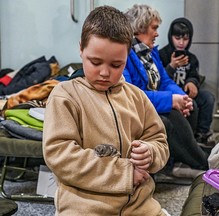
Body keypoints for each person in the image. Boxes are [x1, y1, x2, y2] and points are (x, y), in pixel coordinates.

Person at [43, 6, 170, 216]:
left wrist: (151, 153)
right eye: (95, 62)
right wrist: (124, 173)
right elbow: (60, 155)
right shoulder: (65, 96)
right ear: (81, 50)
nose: (104, 72)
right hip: (83, 207)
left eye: (116, 64)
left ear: (127, 58)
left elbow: (159, 140)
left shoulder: (137, 97)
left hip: (141, 208)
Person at [123, 4, 209, 177]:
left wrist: (181, 97)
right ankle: (202, 162)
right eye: (154, 28)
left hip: (152, 102)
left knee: (192, 107)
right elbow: (133, 95)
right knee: (170, 118)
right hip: (139, 109)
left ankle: (181, 157)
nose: (157, 33)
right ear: (140, 27)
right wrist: (171, 100)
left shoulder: (150, 53)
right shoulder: (125, 54)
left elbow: (165, 80)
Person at [159, 17, 215, 146]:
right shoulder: (162, 55)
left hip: (186, 93)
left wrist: (192, 82)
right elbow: (159, 80)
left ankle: (201, 135)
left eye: (185, 39)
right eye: (177, 38)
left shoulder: (192, 58)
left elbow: (194, 75)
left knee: (208, 98)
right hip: (169, 95)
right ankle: (189, 140)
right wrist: (172, 66)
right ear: (170, 36)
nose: (181, 43)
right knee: (191, 104)